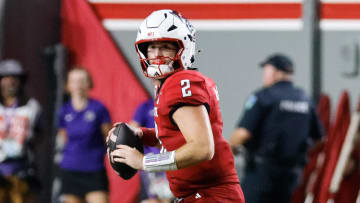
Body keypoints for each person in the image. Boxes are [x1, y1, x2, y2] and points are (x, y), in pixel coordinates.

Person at [108, 9, 244, 203]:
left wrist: (144, 162)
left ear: (184, 48)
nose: (156, 54)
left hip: (209, 195)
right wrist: (142, 134)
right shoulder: (172, 84)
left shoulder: (180, 82)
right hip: (202, 195)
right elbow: (178, 139)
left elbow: (202, 148)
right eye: (152, 47)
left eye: (165, 47)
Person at [229, 53, 324, 203]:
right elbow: (319, 139)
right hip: (291, 176)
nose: (264, 75)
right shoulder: (304, 99)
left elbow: (242, 134)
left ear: (275, 72)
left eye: (266, 70)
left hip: (261, 174)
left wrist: (229, 149)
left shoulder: (263, 96)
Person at [56, 68, 111, 203]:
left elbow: (109, 138)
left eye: (82, 81)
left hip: (94, 169)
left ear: (89, 84)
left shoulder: (99, 108)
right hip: (70, 169)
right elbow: (64, 138)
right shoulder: (64, 111)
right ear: (68, 85)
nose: (78, 85)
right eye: (74, 81)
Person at [0, 59, 42, 203]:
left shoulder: (32, 106)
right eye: (6, 77)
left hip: (22, 169)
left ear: (20, 80)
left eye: (14, 77)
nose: (10, 81)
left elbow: (39, 135)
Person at [129, 98, 173, 203]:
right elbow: (132, 130)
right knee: (153, 198)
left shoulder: (173, 104)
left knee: (168, 197)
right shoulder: (145, 106)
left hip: (170, 159)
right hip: (152, 161)